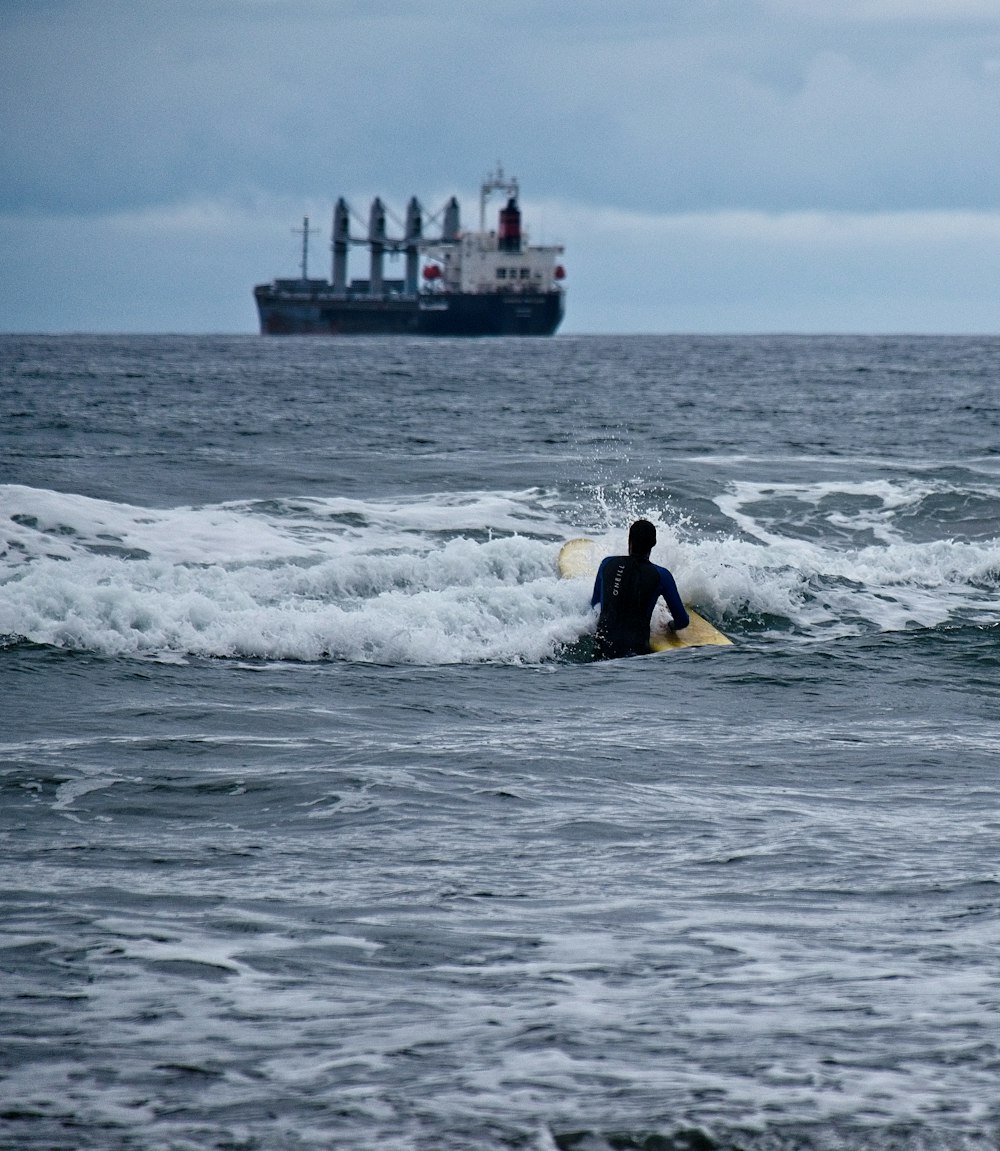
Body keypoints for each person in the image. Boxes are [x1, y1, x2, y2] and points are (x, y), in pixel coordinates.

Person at [591, 519, 689, 659]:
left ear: (629, 540)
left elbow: (595, 604)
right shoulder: (662, 576)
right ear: (653, 543)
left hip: (601, 650)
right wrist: (669, 625)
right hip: (636, 657)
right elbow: (682, 621)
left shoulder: (607, 564)